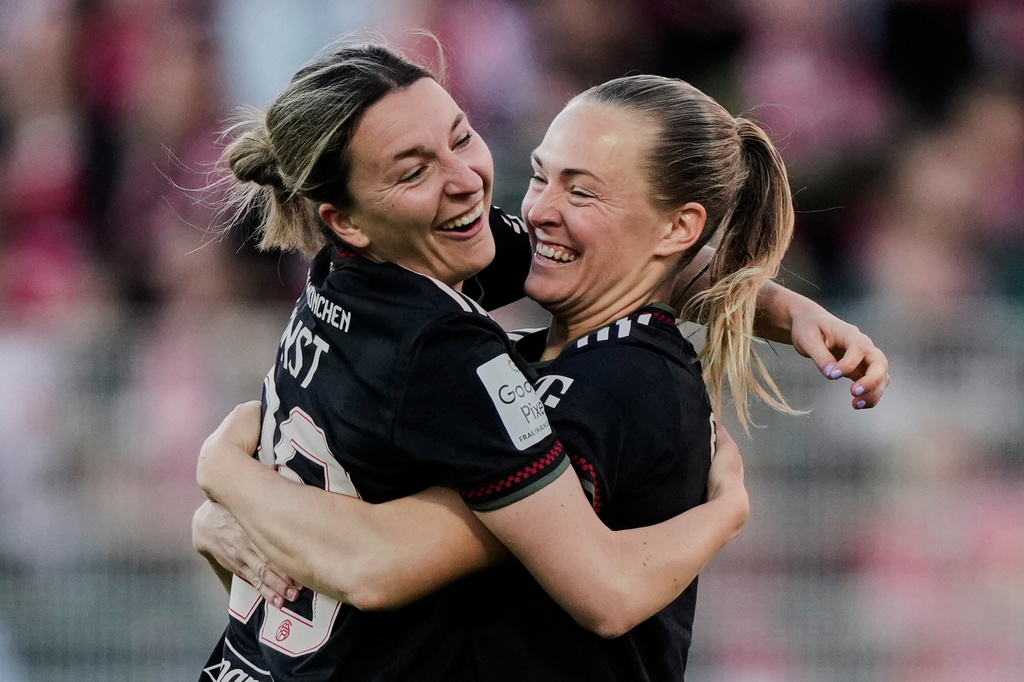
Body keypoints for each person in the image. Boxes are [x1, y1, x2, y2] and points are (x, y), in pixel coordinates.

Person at [195, 39, 889, 682]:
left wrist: (789, 310)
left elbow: (381, 562)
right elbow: (380, 565)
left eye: (463, 137)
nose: (516, 205)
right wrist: (725, 512)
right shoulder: (455, 347)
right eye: (541, 177)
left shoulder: (360, 282)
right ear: (342, 219)